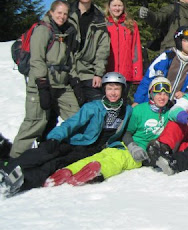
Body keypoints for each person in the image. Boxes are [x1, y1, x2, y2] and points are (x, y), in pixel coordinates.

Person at [0, 73, 131, 196]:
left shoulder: (127, 110)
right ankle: (8, 168)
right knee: (44, 153)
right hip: (77, 141)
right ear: (104, 90)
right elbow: (72, 123)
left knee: (55, 164)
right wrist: (55, 137)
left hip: (91, 150)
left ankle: (23, 182)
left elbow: (133, 126)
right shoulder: (94, 107)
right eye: (109, 89)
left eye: (117, 89)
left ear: (122, 90)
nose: (113, 93)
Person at [46, 76, 172, 186]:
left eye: (165, 94)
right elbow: (127, 132)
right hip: (127, 146)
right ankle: (68, 171)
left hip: (141, 154)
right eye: (158, 93)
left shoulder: (169, 113)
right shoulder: (139, 110)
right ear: (151, 94)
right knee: (102, 155)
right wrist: (132, 146)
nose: (162, 97)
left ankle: (98, 170)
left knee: (118, 161)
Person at [9, 0, 79, 158]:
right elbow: (37, 59)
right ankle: (14, 159)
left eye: (65, 14)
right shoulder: (43, 30)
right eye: (59, 13)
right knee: (35, 122)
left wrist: (73, 80)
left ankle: (72, 151)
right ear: (51, 12)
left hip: (61, 84)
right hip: (41, 84)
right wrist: (42, 83)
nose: (62, 16)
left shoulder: (65, 32)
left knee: (76, 117)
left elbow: (69, 59)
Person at [133, 26, 188, 105]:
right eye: (187, 40)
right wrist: (138, 101)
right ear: (179, 41)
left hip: (176, 106)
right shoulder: (167, 57)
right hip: (154, 103)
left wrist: (186, 95)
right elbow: (148, 79)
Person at [68, 0, 110, 104]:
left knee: (97, 106)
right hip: (66, 69)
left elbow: (103, 49)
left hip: (88, 71)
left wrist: (98, 73)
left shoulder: (99, 17)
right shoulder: (66, 13)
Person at [104, 0, 143, 92]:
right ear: (109, 7)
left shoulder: (131, 25)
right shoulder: (103, 24)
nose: (117, 9)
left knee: (123, 100)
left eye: (119, 6)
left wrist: (137, 75)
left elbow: (136, 50)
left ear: (123, 7)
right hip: (107, 72)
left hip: (125, 73)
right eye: (114, 5)